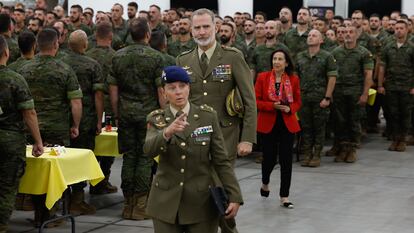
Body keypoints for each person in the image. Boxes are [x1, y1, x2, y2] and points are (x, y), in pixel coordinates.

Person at [176, 8, 256, 233]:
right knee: (201, 192)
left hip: (225, 137)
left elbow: (250, 101)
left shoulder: (232, 57)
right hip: (193, 138)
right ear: (191, 30)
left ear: (216, 28)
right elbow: (178, 100)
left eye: (206, 27)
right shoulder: (183, 59)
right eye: (197, 28)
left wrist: (247, 138)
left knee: (218, 186)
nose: (202, 32)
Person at [144, 66, 243, 233]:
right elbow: (148, 150)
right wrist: (167, 132)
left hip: (201, 202)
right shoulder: (157, 119)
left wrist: (234, 195)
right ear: (163, 92)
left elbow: (221, 161)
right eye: (172, 88)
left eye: (182, 86)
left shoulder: (207, 116)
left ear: (189, 88)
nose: (178, 92)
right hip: (166, 202)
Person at [18, 28, 83, 227]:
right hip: (57, 127)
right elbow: (76, 102)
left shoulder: (24, 69)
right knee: (56, 173)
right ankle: (51, 214)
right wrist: (76, 125)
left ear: (37, 45)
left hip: (30, 128)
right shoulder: (64, 69)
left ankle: (38, 213)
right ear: (56, 44)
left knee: (36, 171)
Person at [109, 18, 164, 220]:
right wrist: (165, 115)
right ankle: (140, 206)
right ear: (148, 35)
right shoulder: (156, 57)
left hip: (125, 114)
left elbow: (113, 91)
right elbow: (161, 91)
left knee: (128, 158)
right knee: (144, 159)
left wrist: (116, 114)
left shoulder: (117, 57)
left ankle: (128, 205)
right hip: (148, 116)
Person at [0, 34, 44, 233]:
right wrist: (38, 141)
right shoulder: (14, 79)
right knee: (7, 186)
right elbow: (29, 112)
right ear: (7, 53)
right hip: (9, 139)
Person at [61, 30, 105, 215]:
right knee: (81, 159)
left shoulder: (61, 63)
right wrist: (99, 119)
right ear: (85, 45)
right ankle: (77, 200)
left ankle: (62, 201)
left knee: (62, 160)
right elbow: (98, 95)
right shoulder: (92, 65)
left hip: (63, 119)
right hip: (85, 119)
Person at [255, 49, 301, 208]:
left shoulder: (293, 79)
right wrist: (272, 106)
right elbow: (256, 101)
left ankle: (284, 196)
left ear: (286, 63)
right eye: (274, 59)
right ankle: (265, 182)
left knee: (286, 160)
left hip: (287, 123)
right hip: (268, 123)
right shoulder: (262, 77)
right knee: (268, 158)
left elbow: (297, 101)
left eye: (280, 59)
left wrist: (291, 109)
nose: (276, 62)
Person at [331, 26, 374, 162]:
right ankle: (343, 148)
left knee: (354, 121)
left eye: (351, 32)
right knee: (340, 122)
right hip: (339, 92)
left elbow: (368, 75)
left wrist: (365, 94)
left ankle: (352, 149)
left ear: (357, 35)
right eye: (345, 32)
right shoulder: (336, 52)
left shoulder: (364, 53)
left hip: (355, 92)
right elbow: (331, 74)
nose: (347, 35)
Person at [86, 21, 119, 194]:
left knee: (94, 144)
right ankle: (103, 179)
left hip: (90, 106)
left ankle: (93, 179)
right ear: (111, 36)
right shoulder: (116, 56)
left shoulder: (87, 55)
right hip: (109, 104)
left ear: (95, 36)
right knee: (108, 146)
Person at [296, 29, 337, 167]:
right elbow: (296, 78)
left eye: (314, 36)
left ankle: (317, 155)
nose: (310, 37)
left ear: (321, 40)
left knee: (319, 128)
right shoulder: (300, 56)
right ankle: (307, 154)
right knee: (306, 127)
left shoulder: (327, 56)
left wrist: (327, 97)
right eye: (309, 35)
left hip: (320, 98)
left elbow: (332, 77)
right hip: (304, 98)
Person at [378, 20, 414, 151]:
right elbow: (382, 67)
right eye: (396, 28)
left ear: (406, 30)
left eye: (401, 28)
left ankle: (403, 139)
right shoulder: (388, 47)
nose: (398, 30)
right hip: (391, 86)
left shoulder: (411, 47)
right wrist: (380, 85)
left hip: (407, 86)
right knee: (393, 113)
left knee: (405, 113)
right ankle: (395, 138)